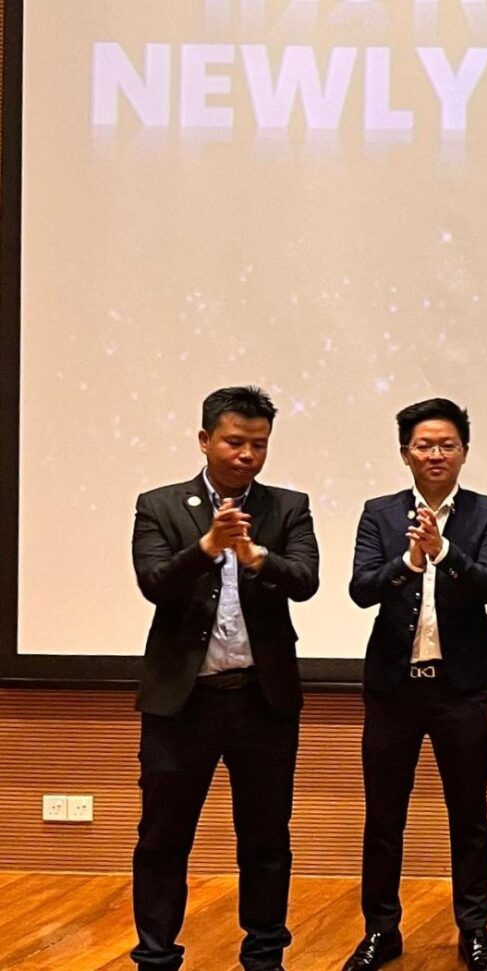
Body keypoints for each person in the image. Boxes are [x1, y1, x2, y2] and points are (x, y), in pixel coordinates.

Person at [130, 386, 319, 971]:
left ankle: (264, 956)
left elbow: (306, 580)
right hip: (181, 704)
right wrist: (208, 547)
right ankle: (156, 957)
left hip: (261, 701)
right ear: (205, 439)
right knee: (163, 839)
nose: (247, 455)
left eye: (259, 445)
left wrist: (258, 556)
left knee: (266, 840)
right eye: (235, 442)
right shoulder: (159, 505)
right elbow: (154, 583)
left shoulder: (287, 507)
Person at [342, 399, 487, 971]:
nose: (436, 454)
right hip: (393, 687)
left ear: (464, 451)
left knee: (470, 814)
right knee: (384, 816)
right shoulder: (380, 513)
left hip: (459, 688)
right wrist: (410, 563)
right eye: (424, 445)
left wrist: (444, 552)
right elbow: (361, 589)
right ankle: (380, 930)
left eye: (447, 445)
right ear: (405, 453)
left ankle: (475, 929)